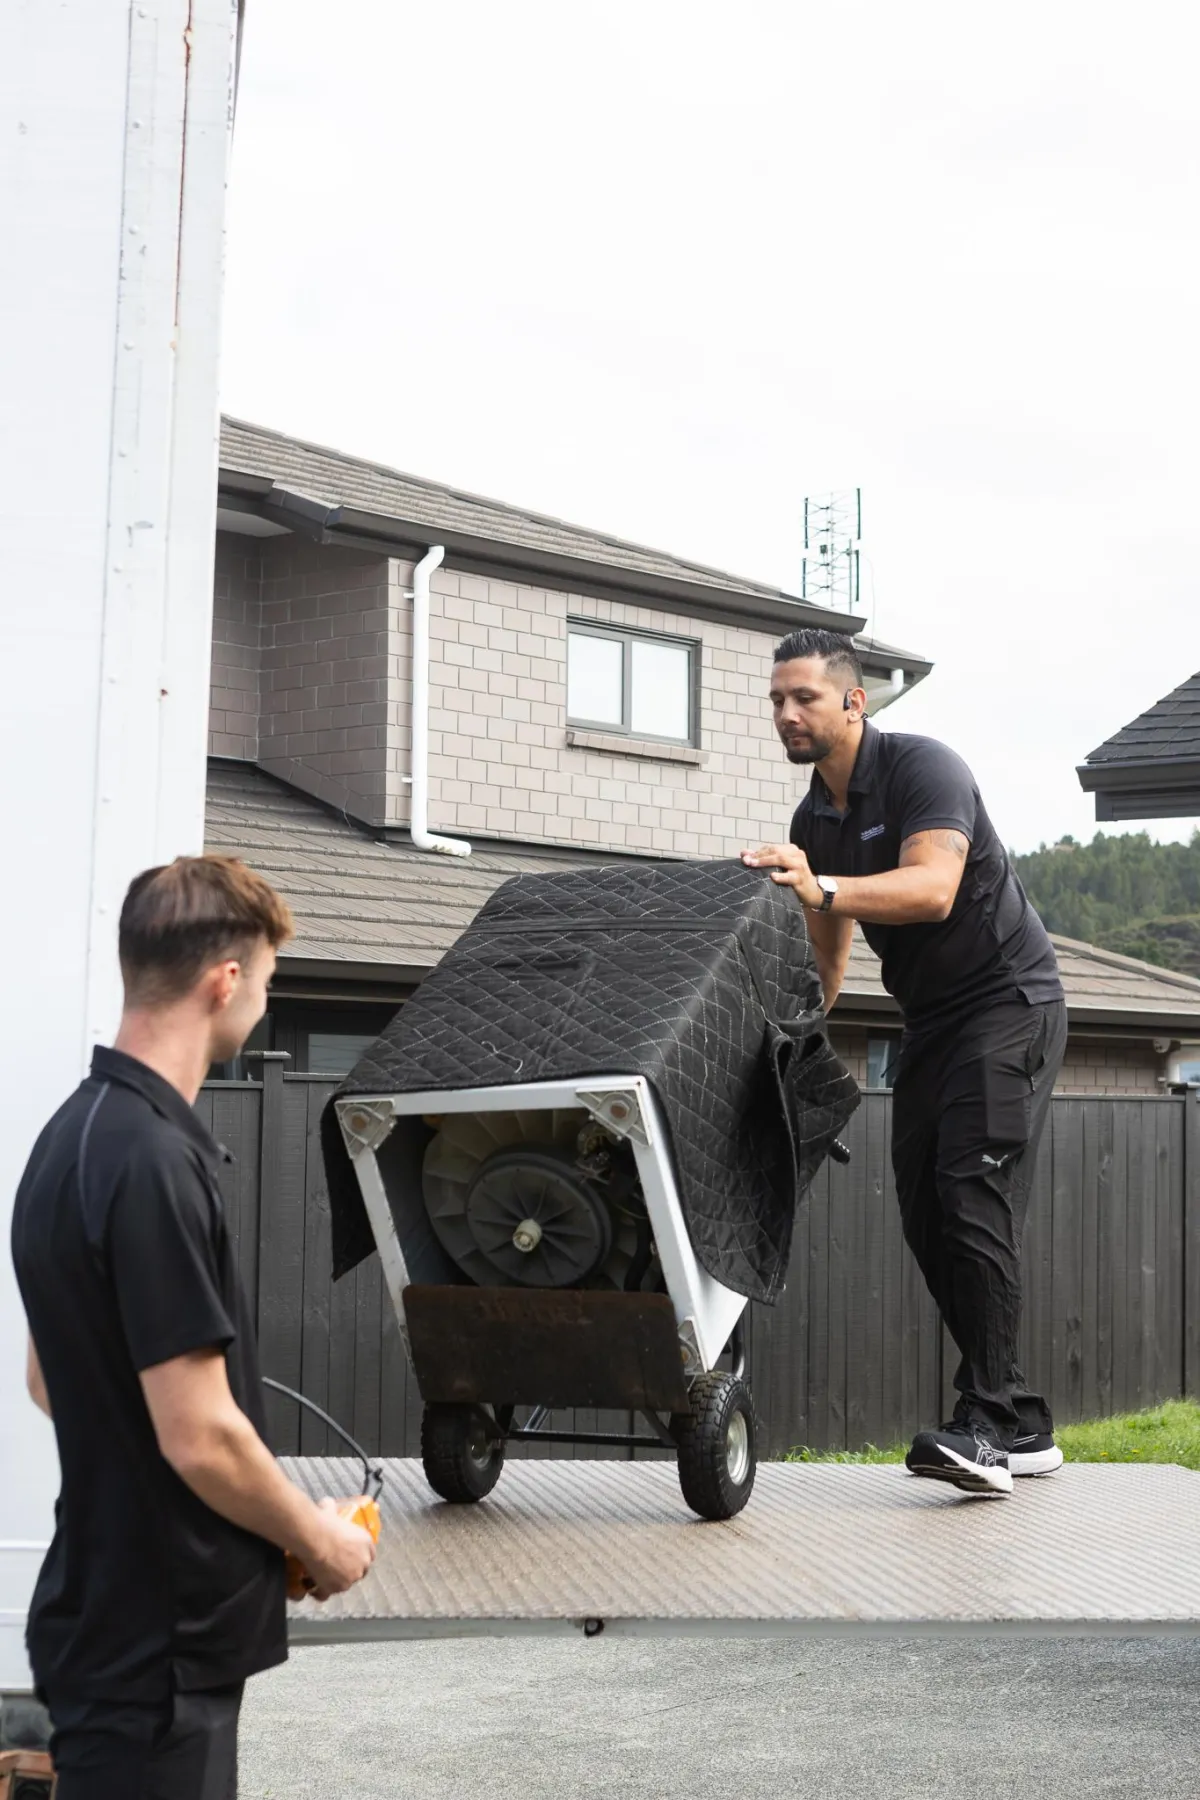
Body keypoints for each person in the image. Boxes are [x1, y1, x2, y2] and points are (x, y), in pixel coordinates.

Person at [12, 856, 377, 1798]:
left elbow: (53, 1382)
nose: (261, 999)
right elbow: (200, 1434)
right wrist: (316, 1538)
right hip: (160, 1653)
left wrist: (258, 1541)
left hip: (110, 1620)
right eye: (265, 981)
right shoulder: (155, 1163)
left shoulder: (70, 1140)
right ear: (225, 982)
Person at [742, 628, 1067, 1496]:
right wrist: (791, 1039)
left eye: (803, 697)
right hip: (932, 1022)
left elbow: (932, 889)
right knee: (926, 1208)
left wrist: (826, 888)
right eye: (776, 699)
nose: (785, 714)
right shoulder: (814, 818)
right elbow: (829, 959)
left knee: (972, 1190)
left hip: (1010, 1004)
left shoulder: (926, 769)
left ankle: (987, 1423)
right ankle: (1024, 1420)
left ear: (854, 702)